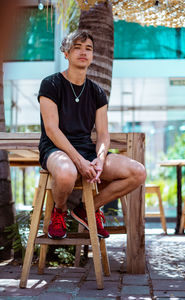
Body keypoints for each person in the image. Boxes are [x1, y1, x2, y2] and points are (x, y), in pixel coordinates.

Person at [38, 30, 146, 240]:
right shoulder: (51, 84)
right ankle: (59, 212)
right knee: (67, 173)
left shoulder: (97, 92)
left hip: (87, 150)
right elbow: (51, 129)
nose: (83, 52)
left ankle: (87, 208)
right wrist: (79, 161)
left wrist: (100, 159)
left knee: (137, 172)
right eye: (77, 47)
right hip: (55, 149)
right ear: (66, 53)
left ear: (93, 55)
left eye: (88, 48)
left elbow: (103, 135)